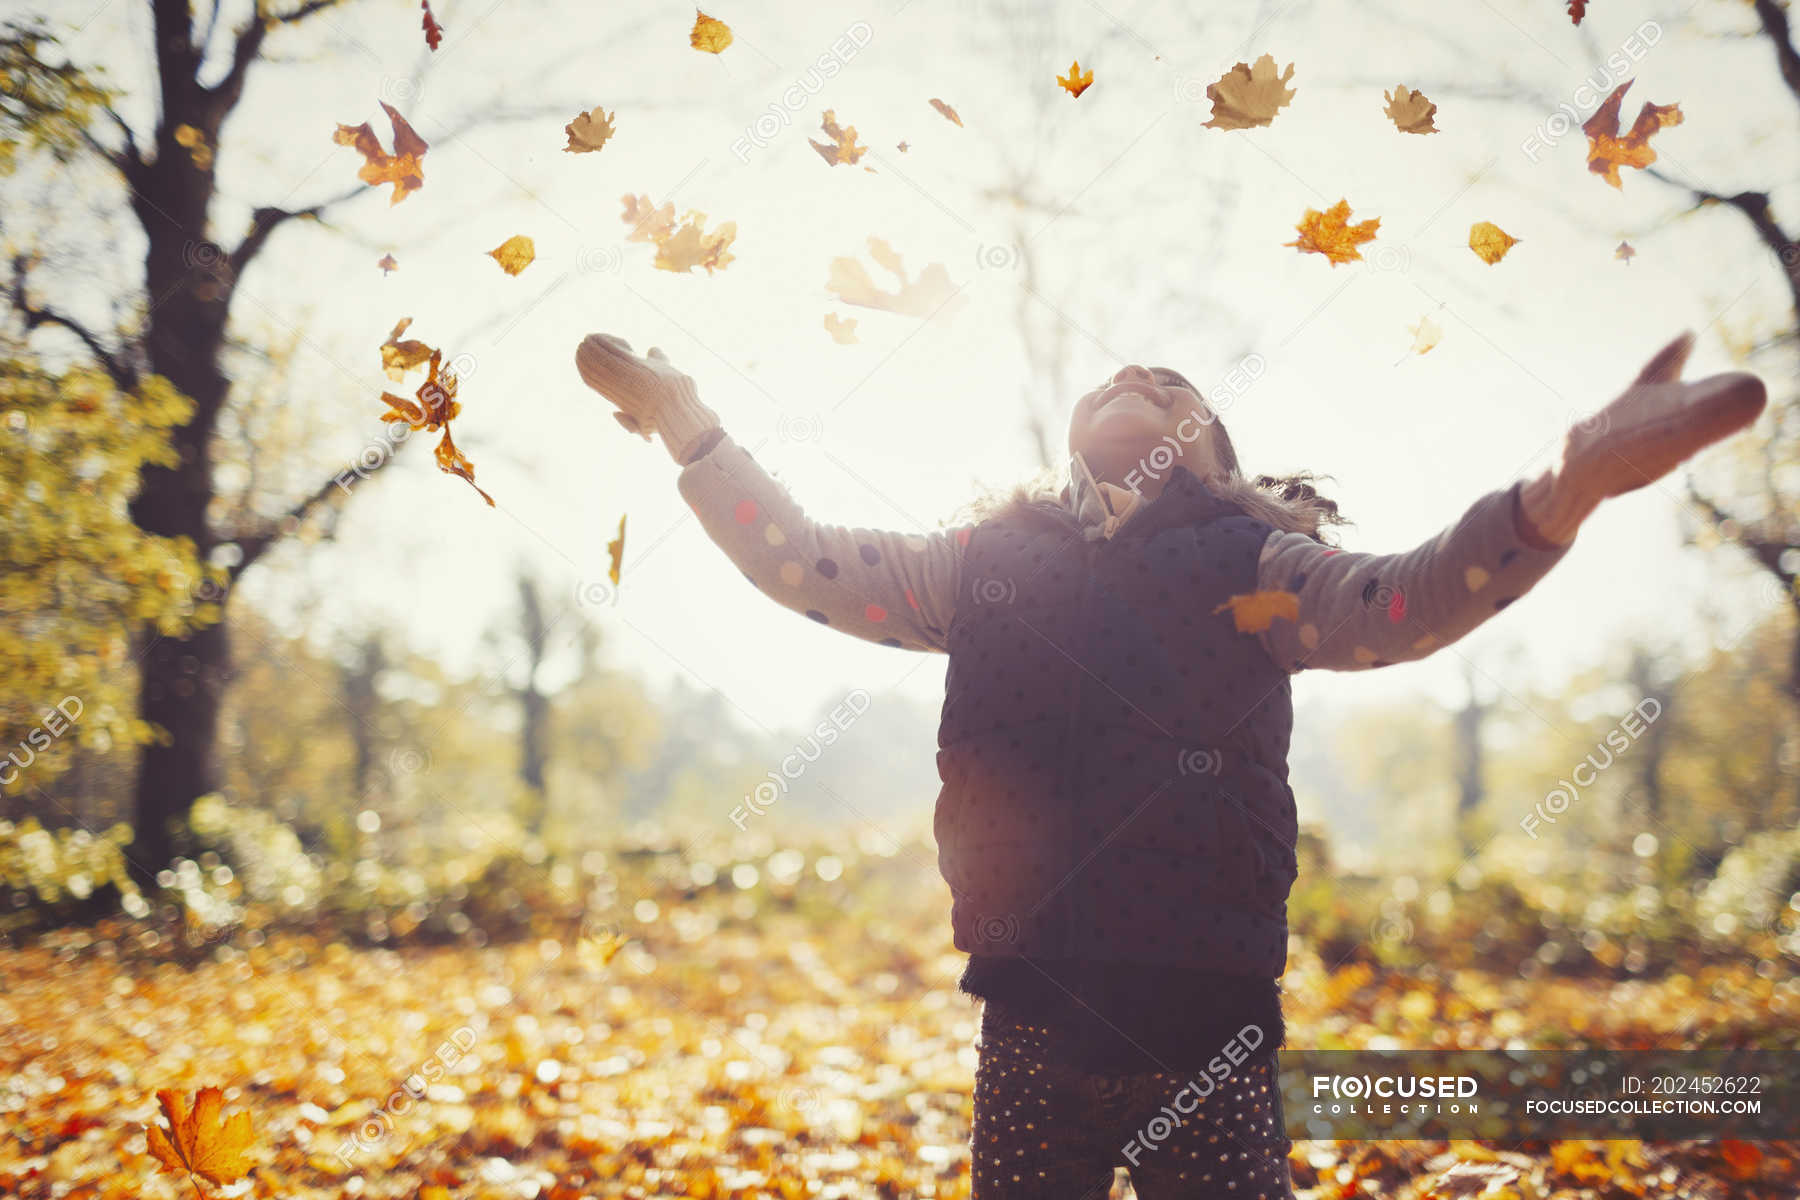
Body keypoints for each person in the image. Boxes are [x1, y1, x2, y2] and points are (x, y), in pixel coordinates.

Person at [575, 329, 1764, 1198]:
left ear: (1215, 453)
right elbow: (807, 564)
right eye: (1115, 378)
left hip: (1206, 1026)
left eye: (1171, 385)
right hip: (1031, 1017)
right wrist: (691, 428)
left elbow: (1401, 601)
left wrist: (1562, 490)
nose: (1136, 378)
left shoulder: (1256, 564)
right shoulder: (984, 563)